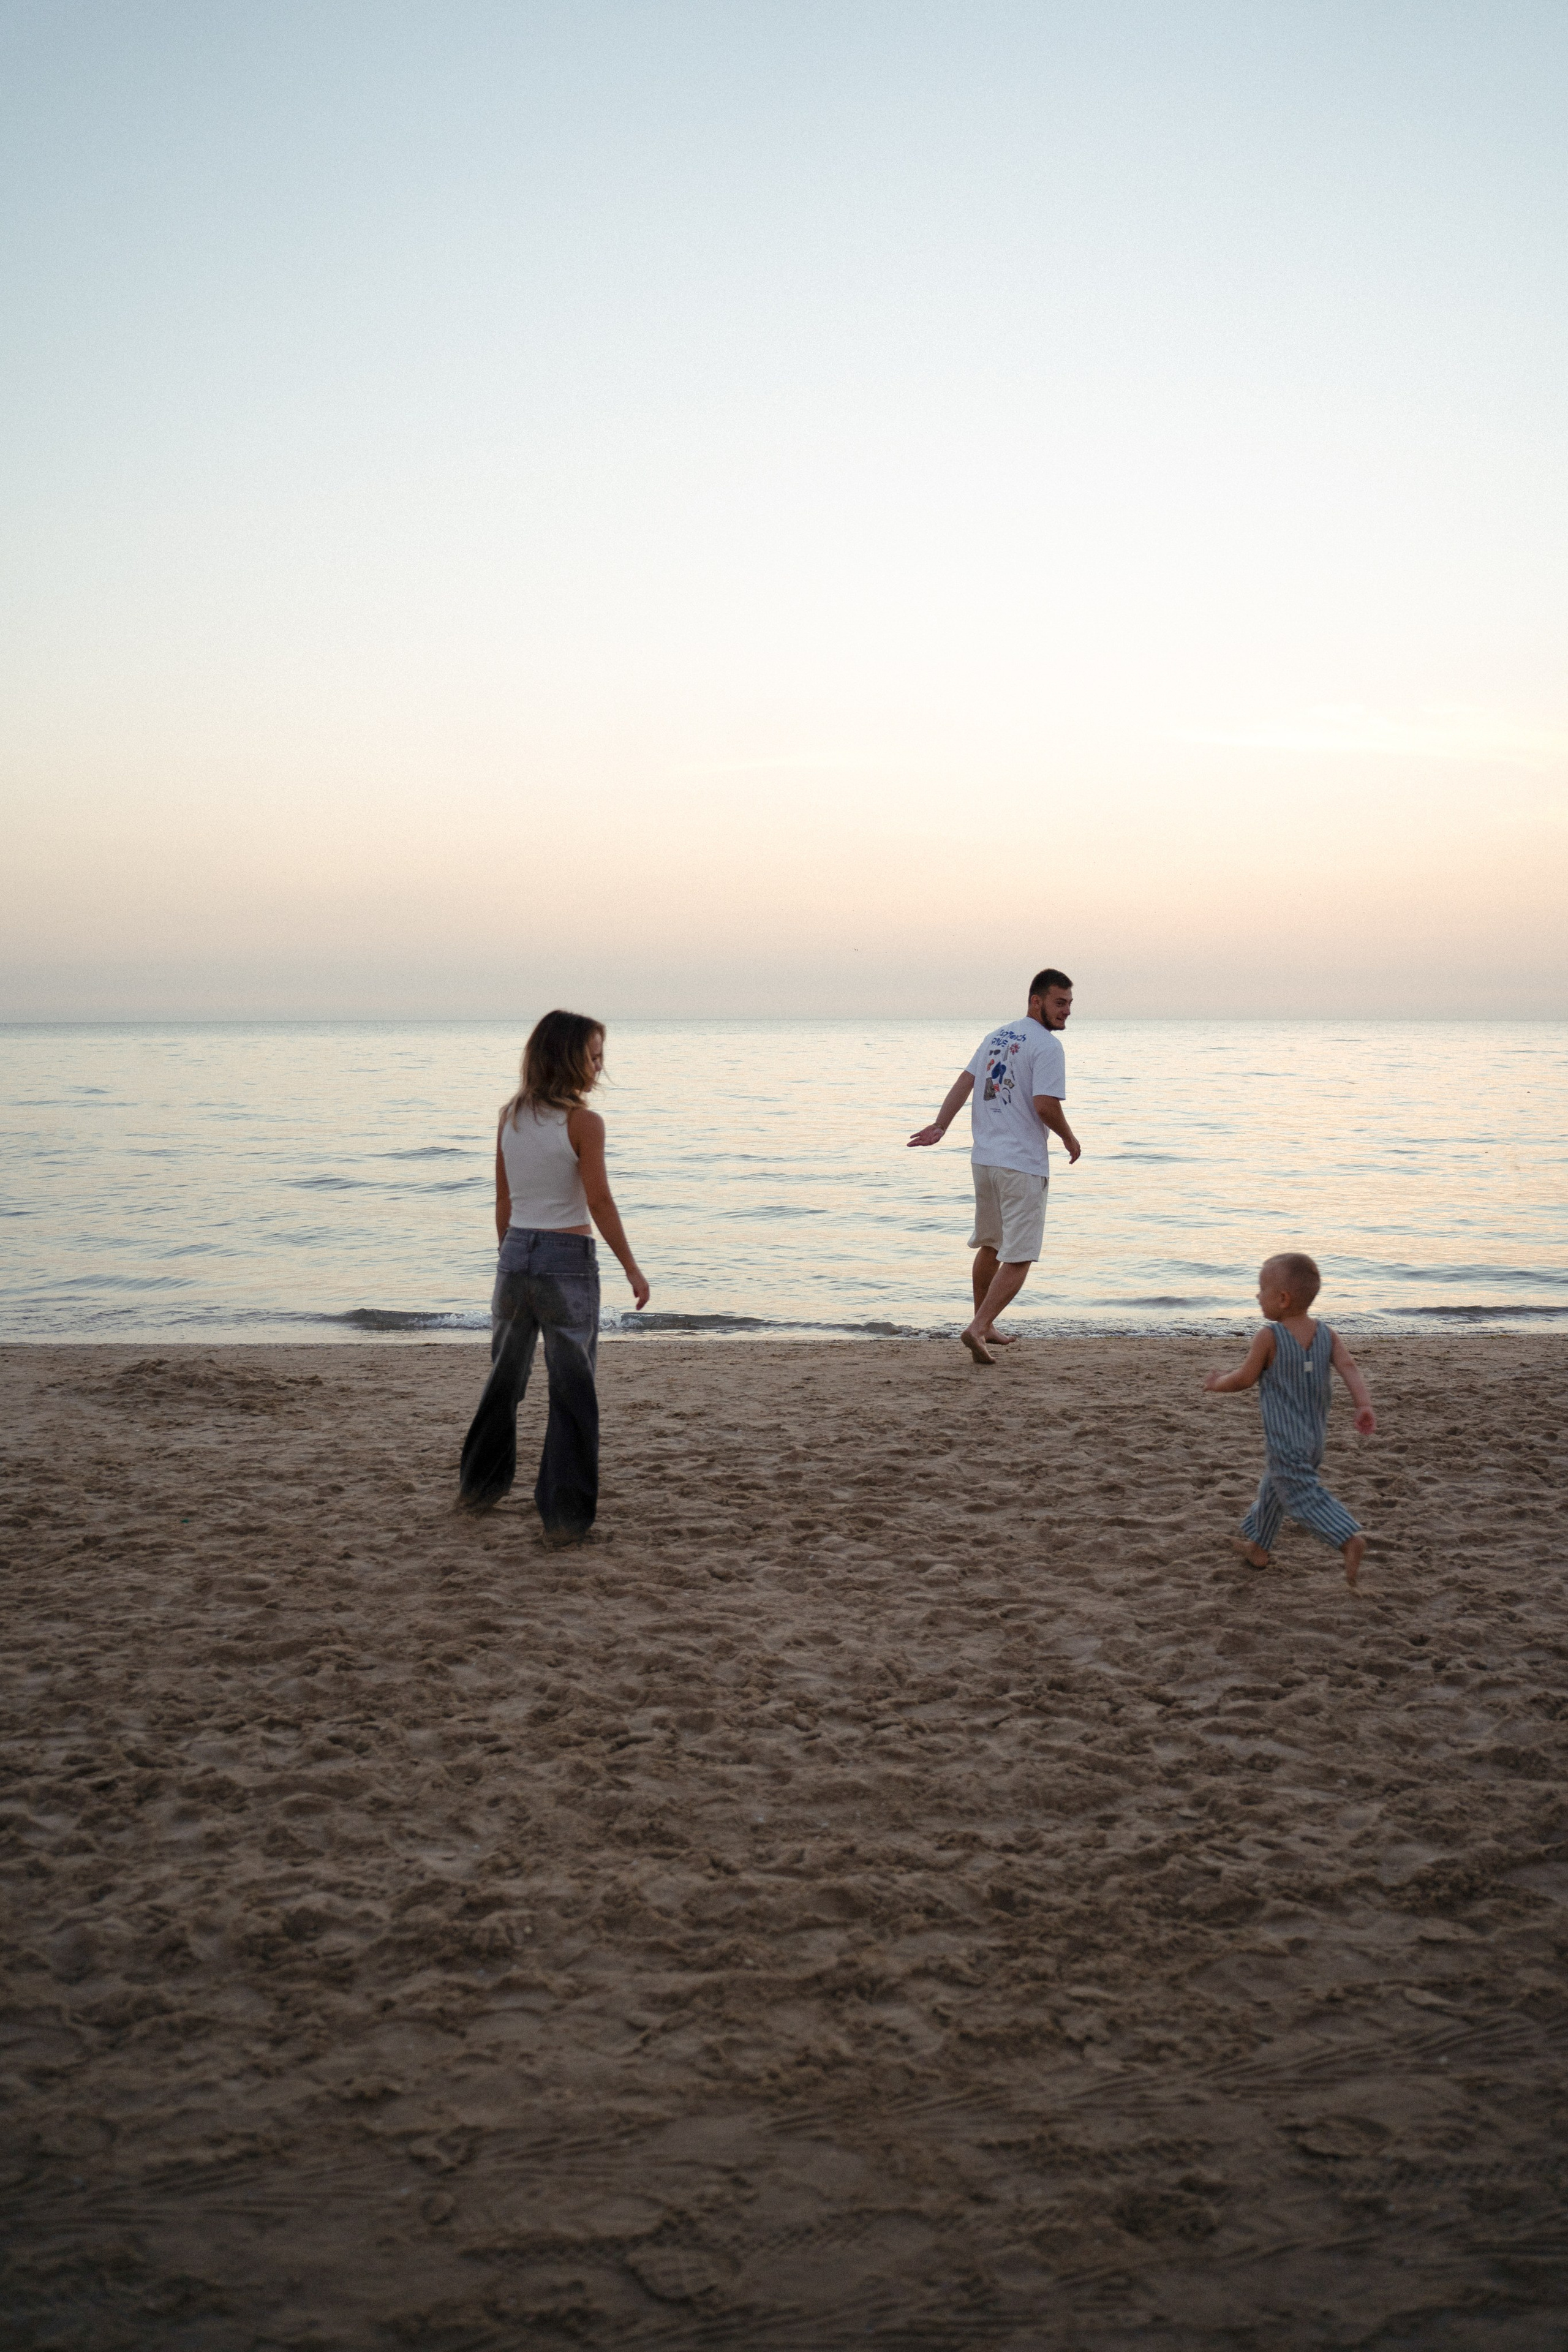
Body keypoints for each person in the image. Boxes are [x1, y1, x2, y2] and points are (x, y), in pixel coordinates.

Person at [458, 1011, 649, 1545]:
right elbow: (600, 1200)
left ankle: (478, 1488)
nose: (599, 1066)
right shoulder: (583, 1123)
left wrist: (512, 1257)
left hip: (516, 1252)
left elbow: (503, 1199)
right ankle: (564, 1518)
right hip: (567, 1258)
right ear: (568, 1058)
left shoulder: (509, 1116)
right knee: (572, 1390)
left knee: (504, 1382)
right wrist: (631, 1266)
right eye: (593, 1056)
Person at [908, 968, 1081, 1366]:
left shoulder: (997, 1036)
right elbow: (1045, 1105)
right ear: (1035, 1001)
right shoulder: (1048, 1048)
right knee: (1020, 1255)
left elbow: (966, 1081)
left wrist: (941, 1125)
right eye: (1060, 1003)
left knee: (991, 1244)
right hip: (1021, 1164)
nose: (1067, 1011)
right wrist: (1070, 1139)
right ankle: (979, 1324)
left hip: (985, 1160)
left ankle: (983, 1327)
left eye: (1070, 1004)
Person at [1203, 1252, 1375, 1588]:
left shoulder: (1270, 1336)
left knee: (1299, 1496)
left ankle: (1348, 1538)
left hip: (1285, 1440)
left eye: (1262, 1289)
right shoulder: (1327, 1333)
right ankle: (1258, 1549)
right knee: (1273, 1489)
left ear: (1282, 1299)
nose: (1257, 1296)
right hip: (1314, 1440)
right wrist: (1363, 1404)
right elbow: (1349, 1368)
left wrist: (1216, 1384)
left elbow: (1244, 1378)